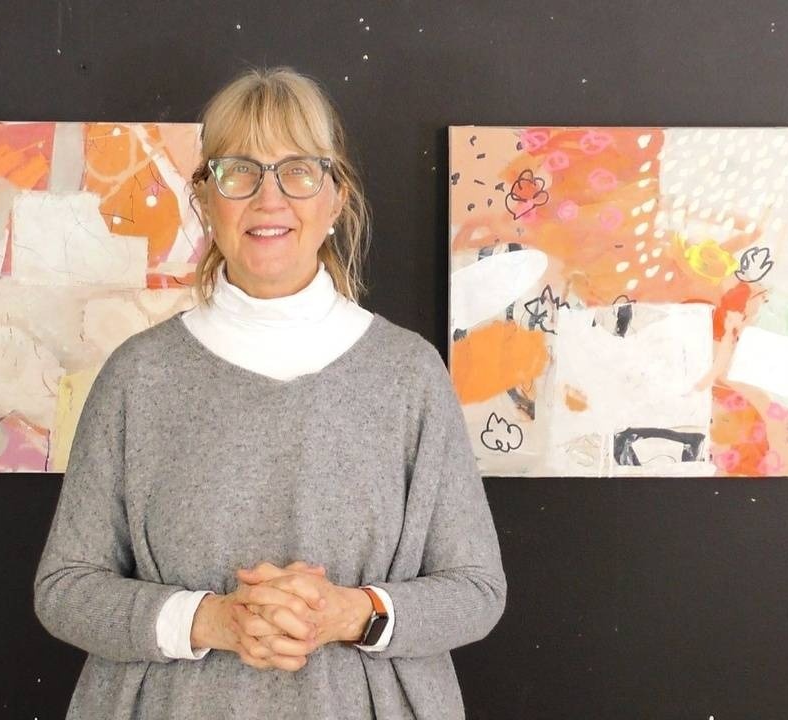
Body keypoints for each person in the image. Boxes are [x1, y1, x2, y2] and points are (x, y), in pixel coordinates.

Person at [33, 67, 506, 720]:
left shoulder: (409, 375)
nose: (269, 198)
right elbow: (64, 589)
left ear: (336, 199)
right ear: (205, 198)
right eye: (239, 172)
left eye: (298, 171)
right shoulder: (137, 377)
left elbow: (477, 590)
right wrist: (212, 620)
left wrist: (351, 613)